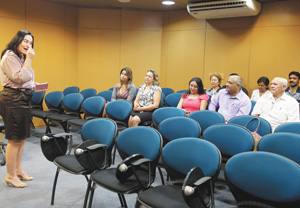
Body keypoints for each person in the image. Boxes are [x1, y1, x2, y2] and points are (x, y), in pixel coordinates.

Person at [0, 30, 35, 188]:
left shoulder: (20, 57)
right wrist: (29, 59)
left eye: (30, 42)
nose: (28, 45)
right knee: (14, 140)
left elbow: (26, 78)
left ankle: (18, 170)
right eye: (25, 41)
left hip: (22, 99)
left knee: (22, 138)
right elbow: (19, 78)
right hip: (13, 99)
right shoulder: (9, 56)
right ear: (18, 40)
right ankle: (10, 175)